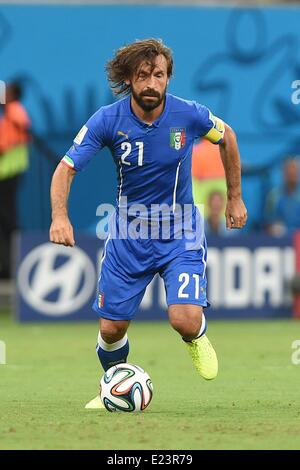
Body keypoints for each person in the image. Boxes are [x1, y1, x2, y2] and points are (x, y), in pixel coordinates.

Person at [49, 39, 247, 409]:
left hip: (180, 231)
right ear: (128, 79)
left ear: (168, 78)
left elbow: (228, 137)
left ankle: (196, 336)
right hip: (129, 234)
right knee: (110, 329)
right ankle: (114, 385)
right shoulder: (107, 120)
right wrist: (60, 216)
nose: (151, 84)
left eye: (159, 75)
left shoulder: (189, 114)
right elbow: (66, 169)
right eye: (143, 76)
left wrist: (234, 196)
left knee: (184, 319)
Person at [0, 82, 30, 279]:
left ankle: (11, 265)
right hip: (5, 173)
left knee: (8, 219)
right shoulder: (8, 113)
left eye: (7, 91)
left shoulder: (15, 109)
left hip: (10, 173)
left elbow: (22, 124)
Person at [265, 158, 300, 236]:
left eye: (294, 172)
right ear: (284, 174)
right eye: (289, 172)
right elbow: (268, 220)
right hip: (281, 238)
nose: (292, 175)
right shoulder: (274, 195)